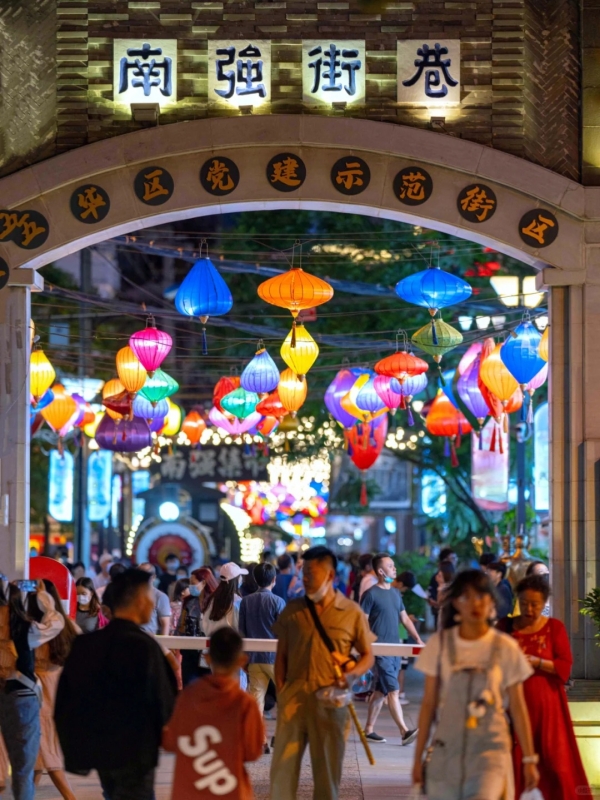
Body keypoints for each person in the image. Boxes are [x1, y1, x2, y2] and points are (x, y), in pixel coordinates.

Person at [412, 569, 539, 800]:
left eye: (481, 596)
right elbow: (428, 705)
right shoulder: (439, 645)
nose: (474, 603)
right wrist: (418, 758)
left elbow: (518, 707)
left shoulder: (505, 647)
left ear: (492, 600)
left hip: (491, 751)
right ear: (455, 603)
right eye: (465, 597)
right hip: (447, 749)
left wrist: (529, 758)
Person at [55, 568, 177, 800]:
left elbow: (67, 701)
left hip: (101, 748)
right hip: (136, 749)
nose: (152, 605)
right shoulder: (144, 646)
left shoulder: (86, 644)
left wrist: (78, 749)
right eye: (148, 599)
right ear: (138, 602)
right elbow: (163, 700)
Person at [270, 545, 375, 800]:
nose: (304, 579)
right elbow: (280, 656)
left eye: (310, 573)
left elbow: (368, 655)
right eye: (302, 573)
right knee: (282, 772)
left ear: (330, 575)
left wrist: (351, 676)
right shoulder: (293, 610)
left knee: (328, 774)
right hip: (293, 698)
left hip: (331, 699)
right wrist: (282, 692)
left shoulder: (351, 612)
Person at [498, 574, 591, 800]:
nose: (529, 609)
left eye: (535, 604)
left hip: (548, 707)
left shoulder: (554, 628)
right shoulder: (505, 627)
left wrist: (537, 662)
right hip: (512, 704)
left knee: (556, 763)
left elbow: (564, 666)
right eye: (524, 603)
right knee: (514, 761)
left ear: (544, 602)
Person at [163, 628, 264, 800]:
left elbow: (170, 742)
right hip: (230, 791)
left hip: (189, 793)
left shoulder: (187, 697)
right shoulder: (245, 703)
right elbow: (253, 752)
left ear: (207, 658)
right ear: (242, 660)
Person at [0, 581, 64, 800]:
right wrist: (45, 599)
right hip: (21, 696)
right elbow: (56, 622)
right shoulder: (24, 628)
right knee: (23, 768)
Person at [361, 554, 424, 744]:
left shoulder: (396, 594)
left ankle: (369, 729)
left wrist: (417, 639)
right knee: (393, 690)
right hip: (380, 650)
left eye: (394, 565)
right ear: (381, 571)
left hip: (395, 649)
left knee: (381, 691)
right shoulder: (370, 594)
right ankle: (404, 731)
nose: (394, 569)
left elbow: (404, 619)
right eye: (390, 566)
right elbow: (362, 622)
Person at [28, 581, 78, 800]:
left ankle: (70, 797)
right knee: (40, 750)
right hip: (59, 688)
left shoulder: (35, 628)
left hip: (37, 691)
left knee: (44, 749)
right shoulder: (67, 625)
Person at [239, 563, 285, 753]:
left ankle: (260, 740)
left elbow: (241, 631)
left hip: (254, 658)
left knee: (257, 700)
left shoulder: (246, 602)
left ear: (255, 579)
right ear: (274, 580)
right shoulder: (278, 602)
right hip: (275, 659)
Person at [177, 567, 219, 686]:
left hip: (209, 653)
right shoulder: (189, 602)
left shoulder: (215, 602)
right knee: (190, 688)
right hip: (189, 653)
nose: (190, 586)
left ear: (204, 583)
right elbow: (181, 625)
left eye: (193, 583)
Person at [138, 562, 171, 635]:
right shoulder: (131, 595)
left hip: (150, 639)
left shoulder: (160, 596)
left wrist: (163, 641)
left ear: (153, 577)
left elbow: (165, 624)